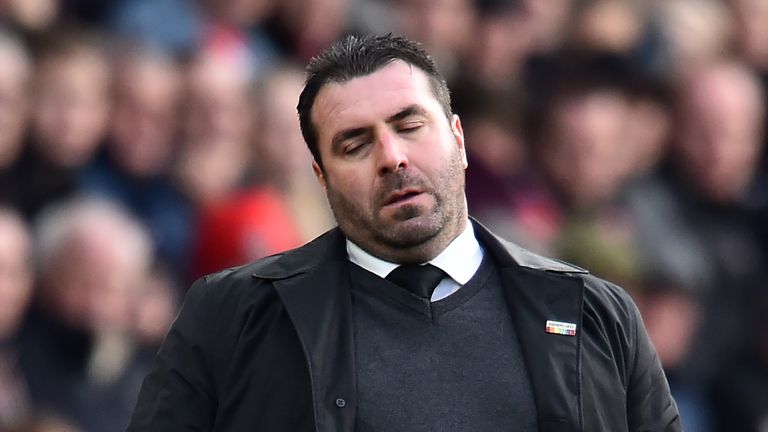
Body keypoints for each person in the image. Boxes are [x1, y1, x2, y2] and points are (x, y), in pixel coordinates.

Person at [127, 34, 680, 432]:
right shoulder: (230, 317)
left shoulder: (596, 315)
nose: (391, 157)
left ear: (459, 139)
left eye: (410, 125)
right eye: (355, 144)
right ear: (320, 177)